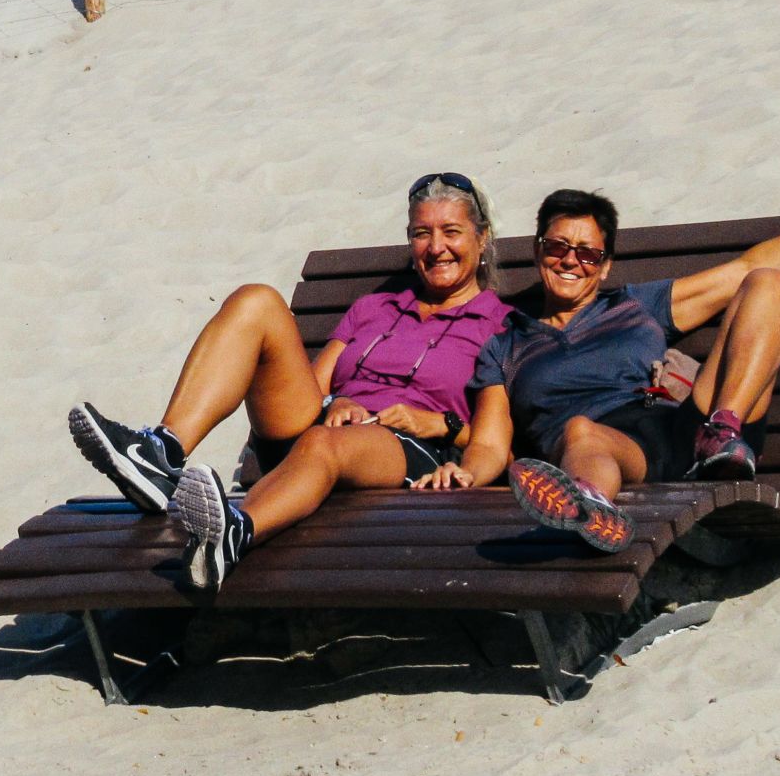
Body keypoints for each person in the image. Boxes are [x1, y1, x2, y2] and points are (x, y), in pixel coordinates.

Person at [68, 173, 512, 592]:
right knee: (255, 300)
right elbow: (313, 391)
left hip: (400, 450)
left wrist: (437, 423)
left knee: (323, 443)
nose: (436, 247)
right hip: (322, 428)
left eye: (451, 232)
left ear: (482, 237)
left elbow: (503, 443)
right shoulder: (375, 307)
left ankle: (234, 535)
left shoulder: (501, 326)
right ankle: (161, 452)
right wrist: (336, 400)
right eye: (421, 233)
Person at [417, 187, 780, 552]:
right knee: (581, 431)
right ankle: (588, 508)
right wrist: (465, 472)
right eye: (558, 247)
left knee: (767, 282)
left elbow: (747, 270)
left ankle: (722, 433)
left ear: (606, 264)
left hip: (681, 429)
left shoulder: (637, 306)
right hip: (604, 449)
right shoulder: (505, 345)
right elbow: (489, 442)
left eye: (589, 253)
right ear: (538, 251)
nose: (572, 261)